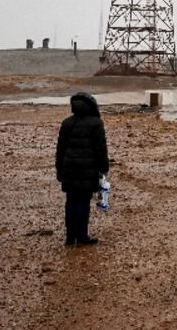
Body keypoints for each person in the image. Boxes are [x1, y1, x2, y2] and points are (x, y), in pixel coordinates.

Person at [55, 91, 110, 245]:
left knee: (71, 201)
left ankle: (70, 237)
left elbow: (60, 149)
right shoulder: (96, 123)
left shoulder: (67, 123)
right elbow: (100, 149)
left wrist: (59, 168)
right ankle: (82, 237)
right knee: (83, 202)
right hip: (88, 169)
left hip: (69, 169)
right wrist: (104, 168)